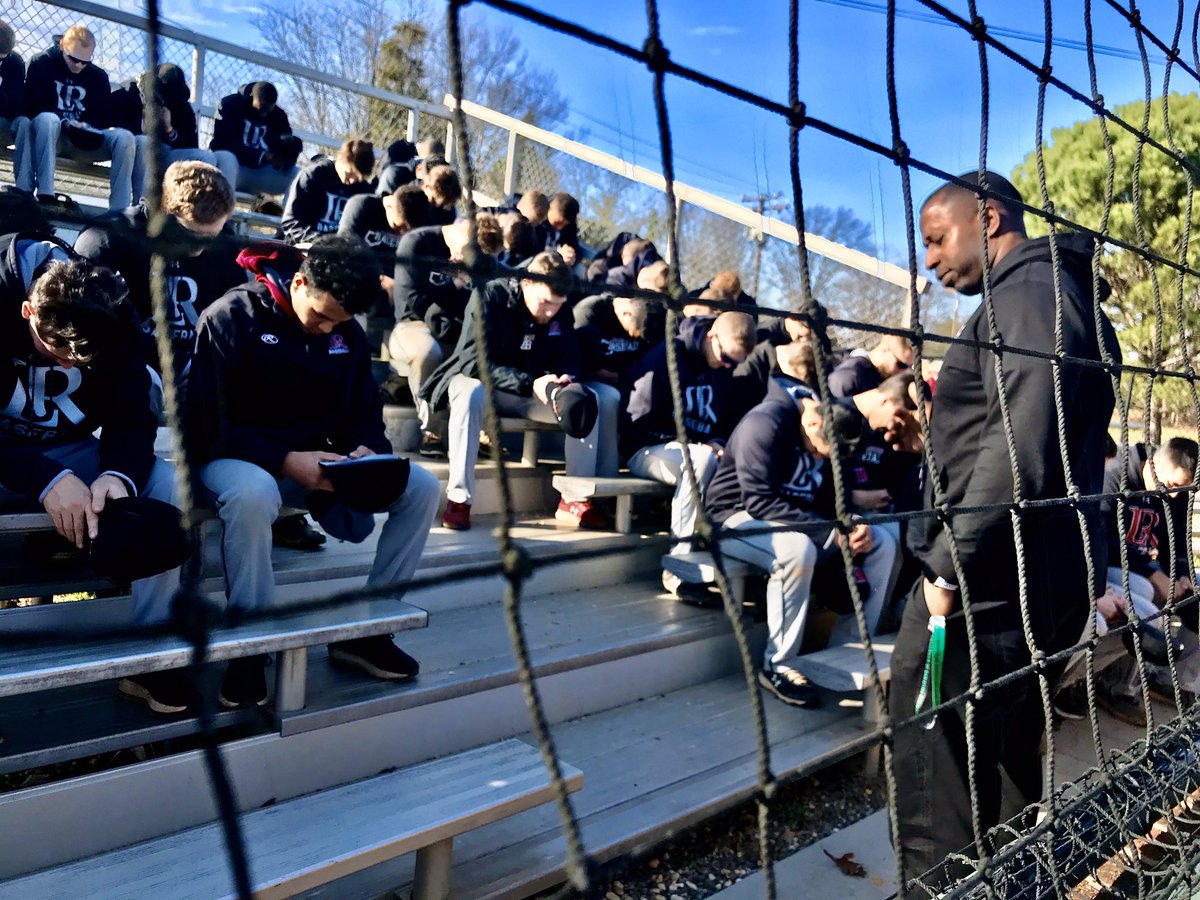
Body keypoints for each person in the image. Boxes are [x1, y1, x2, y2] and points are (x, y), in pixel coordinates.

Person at [891, 171, 1119, 892]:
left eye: (936, 239)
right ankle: (1012, 883)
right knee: (1009, 747)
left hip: (986, 578)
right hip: (1038, 570)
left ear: (987, 218)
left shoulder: (1026, 296)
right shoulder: (1059, 296)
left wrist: (945, 568)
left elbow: (1020, 445)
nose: (929, 260)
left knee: (939, 757)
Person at [186, 235, 441, 708]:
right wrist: (285, 459)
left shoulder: (347, 330)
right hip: (234, 459)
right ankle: (250, 646)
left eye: (338, 322)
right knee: (255, 491)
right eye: (320, 315)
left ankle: (371, 629)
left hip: (317, 464)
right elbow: (208, 426)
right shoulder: (230, 316)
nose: (327, 329)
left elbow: (362, 409)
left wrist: (368, 450)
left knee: (422, 486)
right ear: (298, 281)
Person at [0, 244, 185, 707]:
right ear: (27, 311)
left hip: (69, 446)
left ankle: (151, 655)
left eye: (81, 359)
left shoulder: (109, 311)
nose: (66, 363)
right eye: (54, 348)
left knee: (165, 486)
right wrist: (44, 476)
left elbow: (132, 415)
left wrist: (118, 474)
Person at [706, 343, 896, 707]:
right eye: (819, 452)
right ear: (812, 423)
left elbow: (822, 496)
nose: (818, 460)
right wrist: (827, 532)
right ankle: (777, 664)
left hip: (794, 520)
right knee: (797, 549)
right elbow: (758, 500)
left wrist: (846, 523)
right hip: (733, 518)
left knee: (881, 541)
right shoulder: (765, 423)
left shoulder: (828, 425)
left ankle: (850, 649)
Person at [421, 251, 619, 531]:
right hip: (482, 384)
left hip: (530, 391)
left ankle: (573, 500)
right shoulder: (489, 295)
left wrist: (567, 377)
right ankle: (459, 498)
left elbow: (569, 353)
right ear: (526, 283)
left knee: (584, 400)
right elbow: (473, 362)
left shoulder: (560, 310)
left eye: (557, 305)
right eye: (545, 302)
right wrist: (529, 382)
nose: (550, 311)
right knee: (469, 392)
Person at [74, 160, 244, 398]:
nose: (201, 248)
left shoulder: (224, 247)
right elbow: (95, 329)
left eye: (212, 236)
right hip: (128, 366)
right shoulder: (108, 238)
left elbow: (233, 320)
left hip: (195, 367)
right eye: (193, 235)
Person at [623, 310, 756, 596]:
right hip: (645, 449)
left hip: (690, 451)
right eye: (726, 357)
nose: (727, 365)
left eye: (735, 362)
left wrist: (717, 441)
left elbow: (715, 422)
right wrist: (694, 444)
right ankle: (678, 571)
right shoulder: (668, 356)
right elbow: (636, 422)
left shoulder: (721, 369)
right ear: (711, 336)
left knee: (728, 460)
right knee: (701, 459)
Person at [387, 214, 503, 441]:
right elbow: (415, 300)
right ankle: (432, 431)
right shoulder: (417, 242)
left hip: (455, 326)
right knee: (428, 351)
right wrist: (457, 283)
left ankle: (483, 432)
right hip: (414, 324)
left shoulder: (476, 260)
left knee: (483, 351)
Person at [21, 26, 136, 210]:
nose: (78, 65)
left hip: (84, 141)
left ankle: (120, 211)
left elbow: (102, 117)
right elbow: (33, 107)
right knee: (48, 119)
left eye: (85, 61)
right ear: (62, 45)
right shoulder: (41, 63)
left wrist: (87, 127)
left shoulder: (97, 76)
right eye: (73, 59)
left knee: (124, 137)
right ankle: (45, 195)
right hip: (51, 138)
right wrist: (65, 123)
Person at [210, 81, 300, 196]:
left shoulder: (279, 116)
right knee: (226, 157)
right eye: (262, 109)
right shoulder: (230, 104)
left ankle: (287, 214)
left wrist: (287, 157)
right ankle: (220, 211)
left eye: (268, 110)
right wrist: (262, 156)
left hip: (261, 173)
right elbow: (221, 144)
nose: (264, 114)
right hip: (234, 169)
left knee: (297, 175)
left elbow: (282, 149)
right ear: (252, 96)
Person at [280, 139, 375, 246]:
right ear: (340, 159)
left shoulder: (363, 189)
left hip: (343, 252)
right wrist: (322, 244)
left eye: (358, 178)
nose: (352, 181)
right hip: (308, 245)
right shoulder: (313, 175)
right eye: (349, 173)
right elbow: (292, 223)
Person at [340, 182, 430, 253]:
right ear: (389, 207)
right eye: (397, 227)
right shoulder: (361, 206)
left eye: (408, 231)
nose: (401, 233)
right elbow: (344, 247)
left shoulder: (425, 220)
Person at [827, 333, 913, 398]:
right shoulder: (850, 375)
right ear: (885, 349)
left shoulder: (882, 378)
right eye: (901, 365)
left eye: (908, 367)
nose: (902, 372)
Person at [0, 21, 29, 188]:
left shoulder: (14, 63)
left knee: (24, 123)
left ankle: (24, 189)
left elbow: (16, 107)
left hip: (4, 121)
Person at [543, 192, 582, 267]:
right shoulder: (538, 221)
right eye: (557, 222)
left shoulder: (570, 228)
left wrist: (572, 256)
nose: (559, 227)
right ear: (549, 208)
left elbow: (577, 250)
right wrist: (556, 254)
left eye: (564, 225)